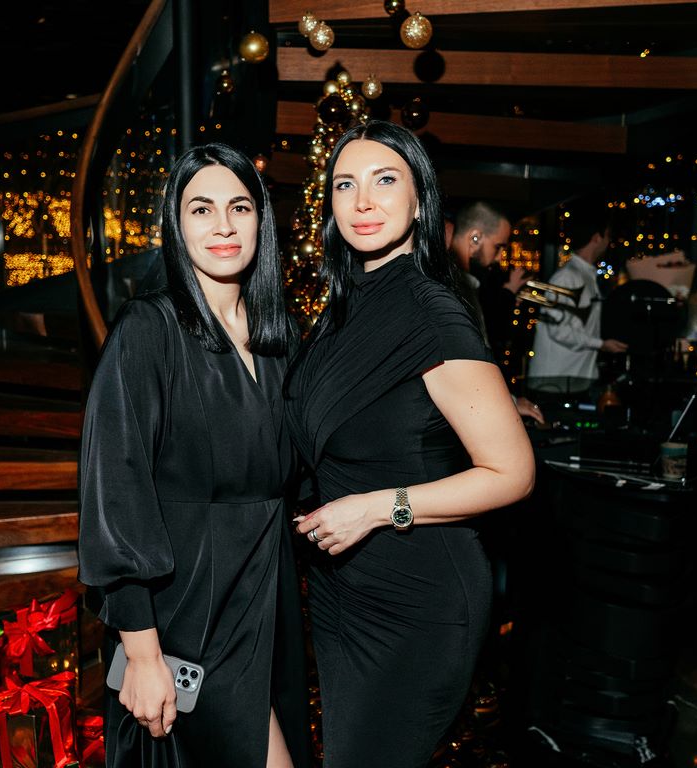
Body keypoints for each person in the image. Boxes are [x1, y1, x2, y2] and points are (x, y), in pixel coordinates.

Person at [283, 120, 537, 768]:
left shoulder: (431, 312)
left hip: (419, 599)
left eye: (385, 180)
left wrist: (376, 507)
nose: (363, 201)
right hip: (343, 590)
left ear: (421, 201)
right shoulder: (341, 309)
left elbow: (512, 472)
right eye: (345, 184)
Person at [77, 143, 308, 767]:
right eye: (201, 209)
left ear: (261, 220)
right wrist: (143, 653)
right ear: (176, 226)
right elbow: (115, 493)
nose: (223, 225)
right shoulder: (148, 329)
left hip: (266, 602)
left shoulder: (279, 338)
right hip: (186, 614)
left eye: (240, 207)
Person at [445, 201, 545, 425]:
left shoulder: (463, 283)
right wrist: (509, 402)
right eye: (498, 246)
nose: (500, 257)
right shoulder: (455, 288)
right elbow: (472, 364)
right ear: (475, 238)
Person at [525, 196, 628, 392]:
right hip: (554, 382)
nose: (609, 242)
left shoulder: (584, 275)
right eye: (607, 235)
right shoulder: (566, 277)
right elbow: (558, 330)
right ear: (596, 237)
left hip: (574, 378)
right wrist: (601, 344)